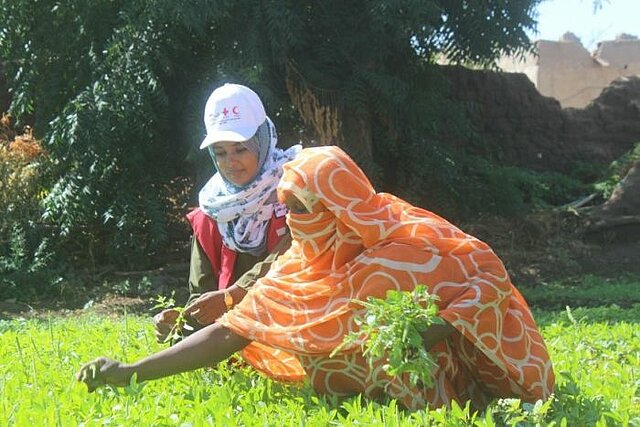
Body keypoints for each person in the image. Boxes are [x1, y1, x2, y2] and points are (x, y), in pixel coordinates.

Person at [78, 146, 555, 411]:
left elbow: (488, 275)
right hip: (360, 380)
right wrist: (131, 371)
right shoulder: (302, 262)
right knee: (329, 363)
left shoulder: (407, 244)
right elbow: (231, 331)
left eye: (303, 207)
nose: (292, 217)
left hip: (454, 371)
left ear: (339, 206)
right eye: (288, 206)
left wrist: (435, 326)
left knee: (395, 363)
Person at [153, 83, 299, 343]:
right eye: (220, 153)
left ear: (262, 141)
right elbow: (202, 292)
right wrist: (182, 320)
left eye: (241, 149)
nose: (231, 162)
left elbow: (298, 253)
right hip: (238, 333)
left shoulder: (297, 188)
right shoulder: (211, 211)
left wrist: (234, 294)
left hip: (297, 323)